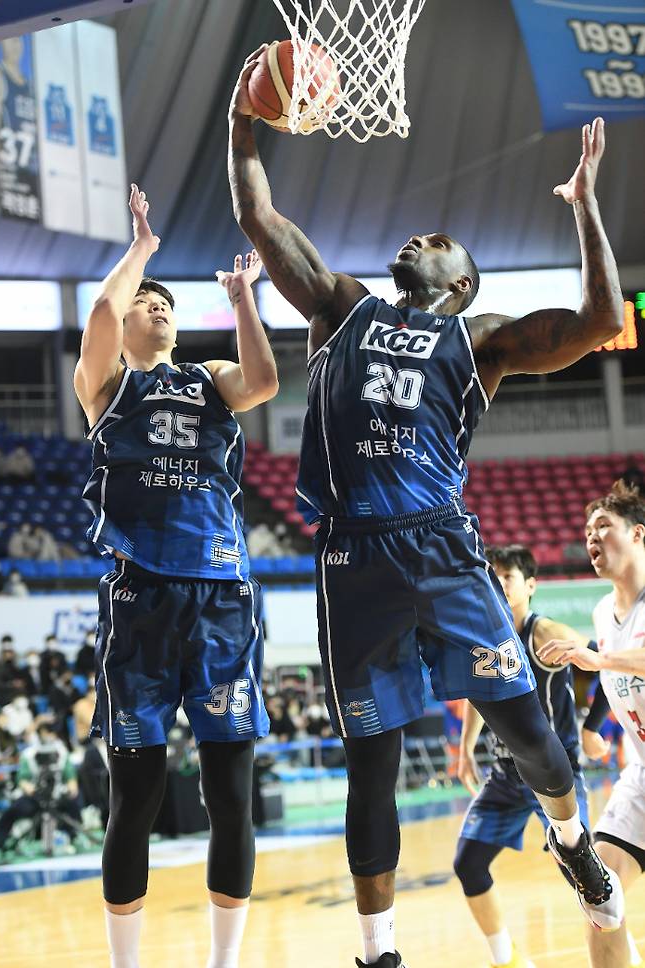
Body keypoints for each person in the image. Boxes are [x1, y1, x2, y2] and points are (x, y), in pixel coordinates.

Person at [228, 50, 624, 965]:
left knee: (529, 732)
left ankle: (573, 849)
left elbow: (603, 320)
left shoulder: (479, 340)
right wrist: (247, 117)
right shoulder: (341, 306)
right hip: (352, 558)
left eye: (436, 238)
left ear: (463, 278)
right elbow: (258, 212)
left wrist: (585, 206)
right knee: (371, 763)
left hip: (444, 549)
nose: (417, 238)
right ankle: (379, 952)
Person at [73, 183, 278, 968]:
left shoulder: (208, 376)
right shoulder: (107, 386)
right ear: (125, 321)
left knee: (232, 795)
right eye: (143, 302)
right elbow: (98, 315)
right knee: (138, 800)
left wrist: (243, 301)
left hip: (221, 597)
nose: (155, 307)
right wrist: (143, 252)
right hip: (140, 603)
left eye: (164, 303)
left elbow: (261, 382)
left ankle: (224, 964)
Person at [453, 545, 596, 968]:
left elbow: (601, 663)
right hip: (505, 772)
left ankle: (619, 952)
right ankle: (508, 960)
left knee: (584, 875)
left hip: (554, 774)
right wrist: (464, 750)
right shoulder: (485, 636)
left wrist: (593, 728)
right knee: (469, 863)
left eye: (508, 577)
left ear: (530, 586)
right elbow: (477, 698)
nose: (498, 584)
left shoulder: (544, 632)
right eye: (492, 577)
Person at [539, 480, 645, 968]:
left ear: (638, 534)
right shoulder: (604, 611)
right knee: (600, 900)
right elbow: (611, 666)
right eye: (586, 531)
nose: (592, 538)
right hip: (641, 776)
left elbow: (618, 662)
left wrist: (597, 661)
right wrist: (592, 725)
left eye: (604, 526)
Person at [0, 720, 81, 856]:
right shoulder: (29, 754)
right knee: (12, 811)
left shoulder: (62, 752)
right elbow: (22, 779)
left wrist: (72, 786)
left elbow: (70, 774)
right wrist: (28, 787)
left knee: (73, 805)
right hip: (36, 796)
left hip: (57, 794)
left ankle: (74, 837)